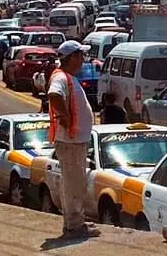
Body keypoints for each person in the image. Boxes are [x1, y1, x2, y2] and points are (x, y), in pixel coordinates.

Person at [47, 40, 100, 239]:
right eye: (81, 56)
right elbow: (54, 95)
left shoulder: (68, 77)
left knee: (76, 183)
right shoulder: (61, 78)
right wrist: (65, 117)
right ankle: (73, 225)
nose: (83, 60)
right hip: (70, 141)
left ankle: (76, 221)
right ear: (73, 57)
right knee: (72, 183)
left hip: (75, 141)